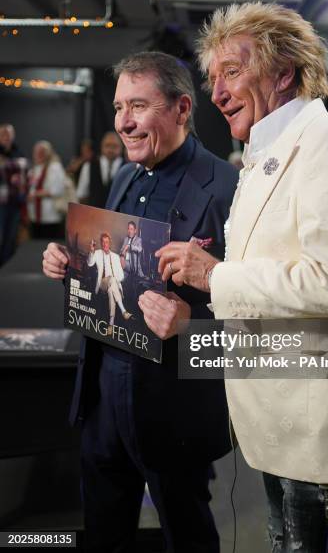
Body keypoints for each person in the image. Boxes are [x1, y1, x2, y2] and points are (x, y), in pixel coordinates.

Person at [156, 2, 328, 552]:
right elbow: (282, 260)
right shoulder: (265, 153)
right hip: (279, 422)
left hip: (318, 430)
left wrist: (217, 275)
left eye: (233, 72)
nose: (216, 92)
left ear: (284, 72)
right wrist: (223, 265)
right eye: (212, 77)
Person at [42, 51, 238, 552]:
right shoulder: (125, 176)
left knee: (186, 534)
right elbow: (112, 273)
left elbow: (257, 317)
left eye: (138, 106)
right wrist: (70, 264)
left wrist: (191, 322)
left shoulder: (226, 188)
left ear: (181, 109)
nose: (123, 123)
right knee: (105, 529)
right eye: (117, 106)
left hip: (174, 402)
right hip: (103, 391)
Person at [87, 232, 132, 335]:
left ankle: (110, 325)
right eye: (102, 242)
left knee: (111, 291)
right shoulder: (97, 253)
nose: (104, 244)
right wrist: (92, 251)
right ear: (101, 243)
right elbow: (90, 263)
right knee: (111, 280)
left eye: (106, 242)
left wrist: (114, 281)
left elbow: (121, 276)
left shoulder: (116, 257)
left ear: (109, 243)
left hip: (113, 285)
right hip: (102, 284)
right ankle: (123, 310)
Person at [0, 123, 28, 264]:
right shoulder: (18, 157)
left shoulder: (19, 152)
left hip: (15, 202)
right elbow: (20, 167)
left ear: (13, 135)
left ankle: (5, 268)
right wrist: (14, 166)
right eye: (3, 133)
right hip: (1, 204)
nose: (6, 136)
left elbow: (24, 170)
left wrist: (5, 164)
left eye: (8, 133)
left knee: (11, 238)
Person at [27, 140, 66, 239]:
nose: (38, 154)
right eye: (36, 152)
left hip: (51, 217)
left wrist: (35, 194)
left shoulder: (55, 167)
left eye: (42, 152)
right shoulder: (34, 169)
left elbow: (57, 190)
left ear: (48, 153)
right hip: (35, 216)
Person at [76, 131, 124, 207]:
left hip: (120, 216)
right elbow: (82, 195)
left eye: (115, 146)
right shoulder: (89, 166)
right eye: (107, 145)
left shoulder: (130, 168)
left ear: (121, 147)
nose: (111, 149)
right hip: (94, 214)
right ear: (101, 146)